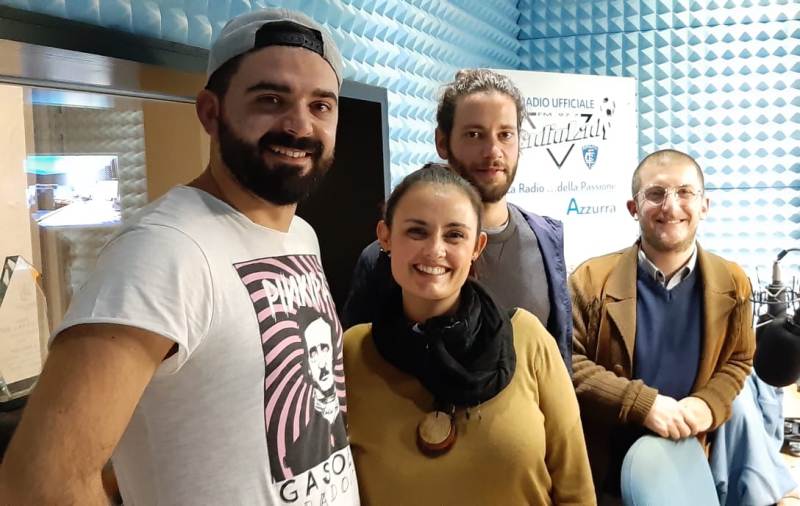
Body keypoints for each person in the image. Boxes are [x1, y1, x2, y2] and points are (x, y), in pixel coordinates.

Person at [0, 8, 360, 506]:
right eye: (271, 99)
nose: (300, 125)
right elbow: (41, 484)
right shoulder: (162, 249)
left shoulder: (301, 235)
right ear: (210, 112)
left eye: (320, 105)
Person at [343, 164, 595, 505]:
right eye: (417, 231)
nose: (435, 250)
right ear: (385, 237)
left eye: (454, 235)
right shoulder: (353, 353)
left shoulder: (527, 339)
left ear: (477, 246)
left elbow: (576, 492)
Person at [341, 69, 572, 371]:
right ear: (442, 141)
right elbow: (356, 371)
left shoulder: (546, 242)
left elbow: (558, 365)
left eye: (505, 134)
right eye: (474, 134)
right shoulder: (388, 258)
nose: (493, 151)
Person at [569, 149, 756, 502]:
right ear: (633, 207)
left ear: (704, 205)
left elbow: (739, 359)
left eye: (685, 192)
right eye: (655, 194)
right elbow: (569, 363)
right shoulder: (590, 280)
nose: (670, 206)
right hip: (602, 473)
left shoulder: (734, 282)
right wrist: (643, 405)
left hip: (682, 468)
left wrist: (708, 404)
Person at [283, 307, 348, 477]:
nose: (321, 363)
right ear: (308, 366)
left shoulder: (355, 416)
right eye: (313, 353)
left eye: (325, 348)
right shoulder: (296, 452)